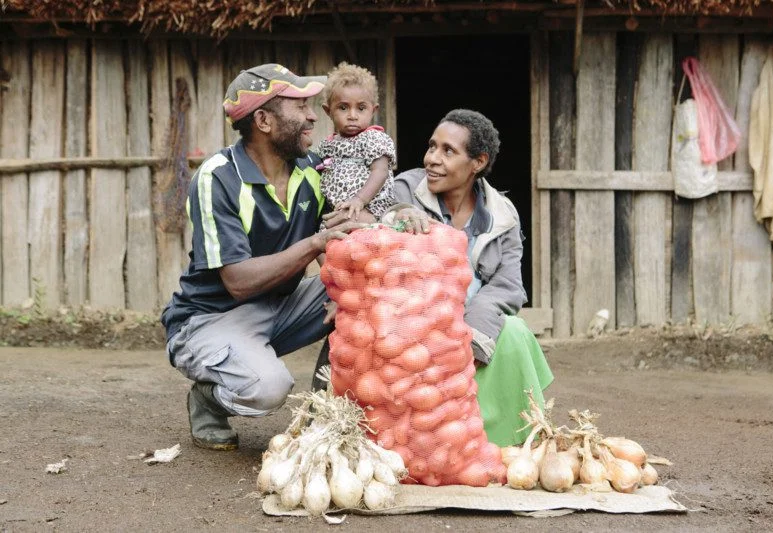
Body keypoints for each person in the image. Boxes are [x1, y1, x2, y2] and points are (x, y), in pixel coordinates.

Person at [318, 109, 553, 447]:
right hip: (411, 327)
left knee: (515, 330)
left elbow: (508, 285)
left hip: (474, 328)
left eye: (448, 151)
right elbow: (373, 238)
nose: (432, 159)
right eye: (431, 147)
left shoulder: (503, 215)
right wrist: (398, 215)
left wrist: (467, 335)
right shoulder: (403, 191)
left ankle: (506, 442)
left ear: (477, 162)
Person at [161, 63, 362, 451]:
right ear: (264, 120)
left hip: (281, 305)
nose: (310, 115)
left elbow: (339, 230)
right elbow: (237, 282)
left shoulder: (311, 169)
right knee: (268, 388)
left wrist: (344, 292)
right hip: (210, 317)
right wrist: (314, 244)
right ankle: (207, 398)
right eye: (298, 105)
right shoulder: (218, 177)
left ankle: (323, 417)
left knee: (365, 298)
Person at [317, 62, 396, 220]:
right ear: (328, 111)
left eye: (361, 108)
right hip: (338, 210)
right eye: (343, 108)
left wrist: (359, 200)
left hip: (370, 208)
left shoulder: (373, 138)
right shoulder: (327, 146)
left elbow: (380, 172)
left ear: (373, 110)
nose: (352, 115)